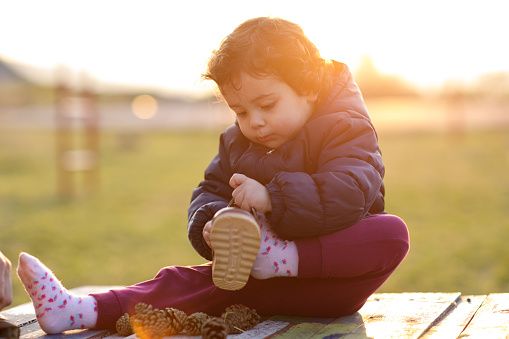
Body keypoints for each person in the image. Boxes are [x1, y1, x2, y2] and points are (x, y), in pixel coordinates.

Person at [16, 17, 410, 334]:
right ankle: (76, 311)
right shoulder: (237, 143)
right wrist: (211, 222)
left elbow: (353, 190)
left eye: (267, 104)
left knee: (391, 233)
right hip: (258, 286)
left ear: (307, 87)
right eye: (240, 111)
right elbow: (209, 191)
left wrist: (275, 198)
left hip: (331, 282)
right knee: (181, 283)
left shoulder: (345, 126)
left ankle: (279, 256)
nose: (253, 122)